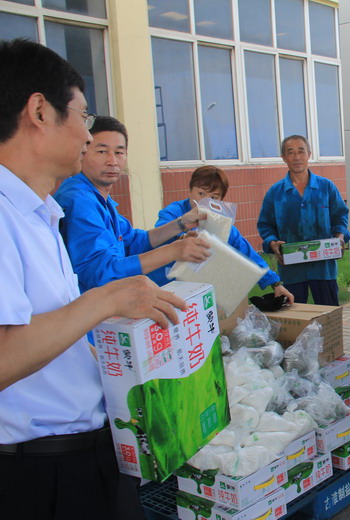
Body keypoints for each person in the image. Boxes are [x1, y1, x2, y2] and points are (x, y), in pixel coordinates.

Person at [0, 38, 188, 520]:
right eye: (83, 117)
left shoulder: (40, 211)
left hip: (85, 452)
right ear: (39, 111)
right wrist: (107, 299)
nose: (88, 136)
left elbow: (55, 329)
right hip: (39, 472)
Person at [54, 116, 210, 293]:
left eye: (119, 152)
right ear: (83, 150)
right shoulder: (79, 201)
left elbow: (135, 241)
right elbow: (102, 273)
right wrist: (173, 251)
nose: (112, 161)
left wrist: (182, 223)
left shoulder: (99, 199)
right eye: (102, 151)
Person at [148, 165, 294, 303]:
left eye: (213, 198)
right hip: (165, 286)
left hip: (197, 288)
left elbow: (248, 254)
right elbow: (159, 236)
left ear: (221, 201)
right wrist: (182, 237)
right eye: (201, 193)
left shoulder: (221, 224)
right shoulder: (174, 212)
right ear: (190, 191)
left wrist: (275, 283)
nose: (205, 201)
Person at [257, 135, 349, 306]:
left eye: (301, 151)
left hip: (323, 267)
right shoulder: (275, 193)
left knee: (329, 314)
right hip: (291, 269)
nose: (296, 157)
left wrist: (340, 236)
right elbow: (265, 225)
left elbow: (340, 216)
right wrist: (272, 243)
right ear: (283, 157)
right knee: (296, 315)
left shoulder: (326, 187)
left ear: (309, 154)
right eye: (290, 153)